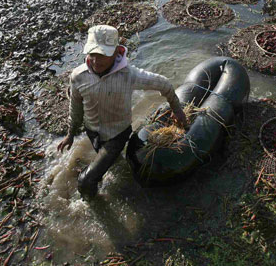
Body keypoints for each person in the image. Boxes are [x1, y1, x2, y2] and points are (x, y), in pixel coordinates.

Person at [57, 25, 187, 198]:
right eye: (92, 54)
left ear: (117, 52)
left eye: (102, 55)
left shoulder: (128, 76)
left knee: (85, 181)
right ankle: (113, 169)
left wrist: (177, 110)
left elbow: (163, 83)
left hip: (117, 134)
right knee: (108, 163)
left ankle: (92, 206)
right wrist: (70, 134)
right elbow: (76, 107)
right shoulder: (78, 76)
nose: (96, 61)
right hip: (93, 132)